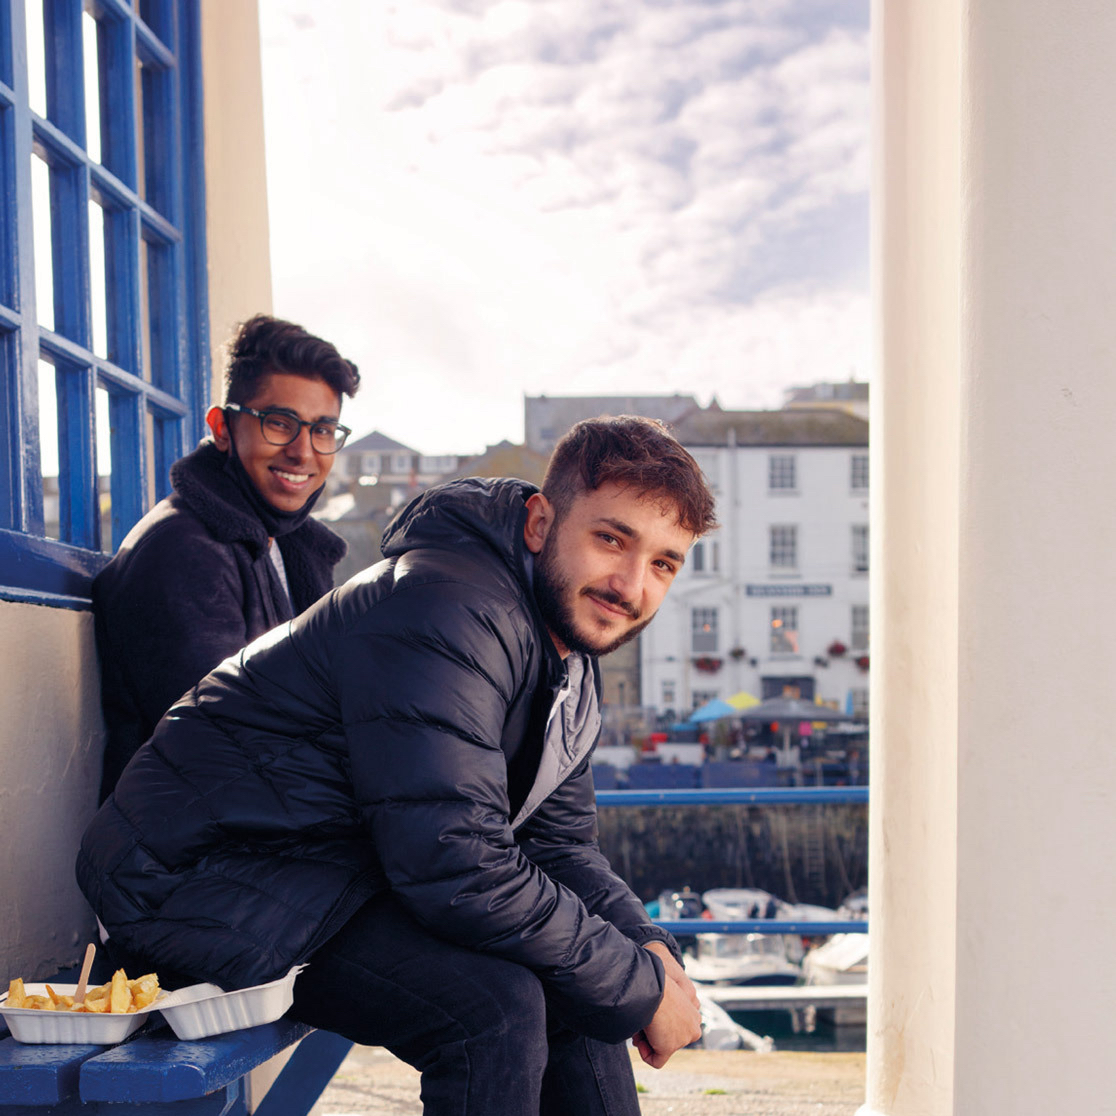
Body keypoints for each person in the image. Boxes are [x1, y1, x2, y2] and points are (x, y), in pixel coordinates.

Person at [76, 416, 718, 1116]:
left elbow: (559, 846)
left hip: (328, 873)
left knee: (580, 987)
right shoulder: (447, 607)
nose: (630, 584)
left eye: (663, 563)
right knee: (493, 1009)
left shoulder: (569, 659)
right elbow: (456, 863)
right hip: (188, 881)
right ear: (540, 523)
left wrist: (648, 952)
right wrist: (638, 987)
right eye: (611, 539)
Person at [93, 314, 360, 799]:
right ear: (222, 428)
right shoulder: (182, 550)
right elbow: (223, 744)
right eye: (280, 423)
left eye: (323, 430)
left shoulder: (290, 547)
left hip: (270, 823)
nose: (303, 452)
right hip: (185, 837)